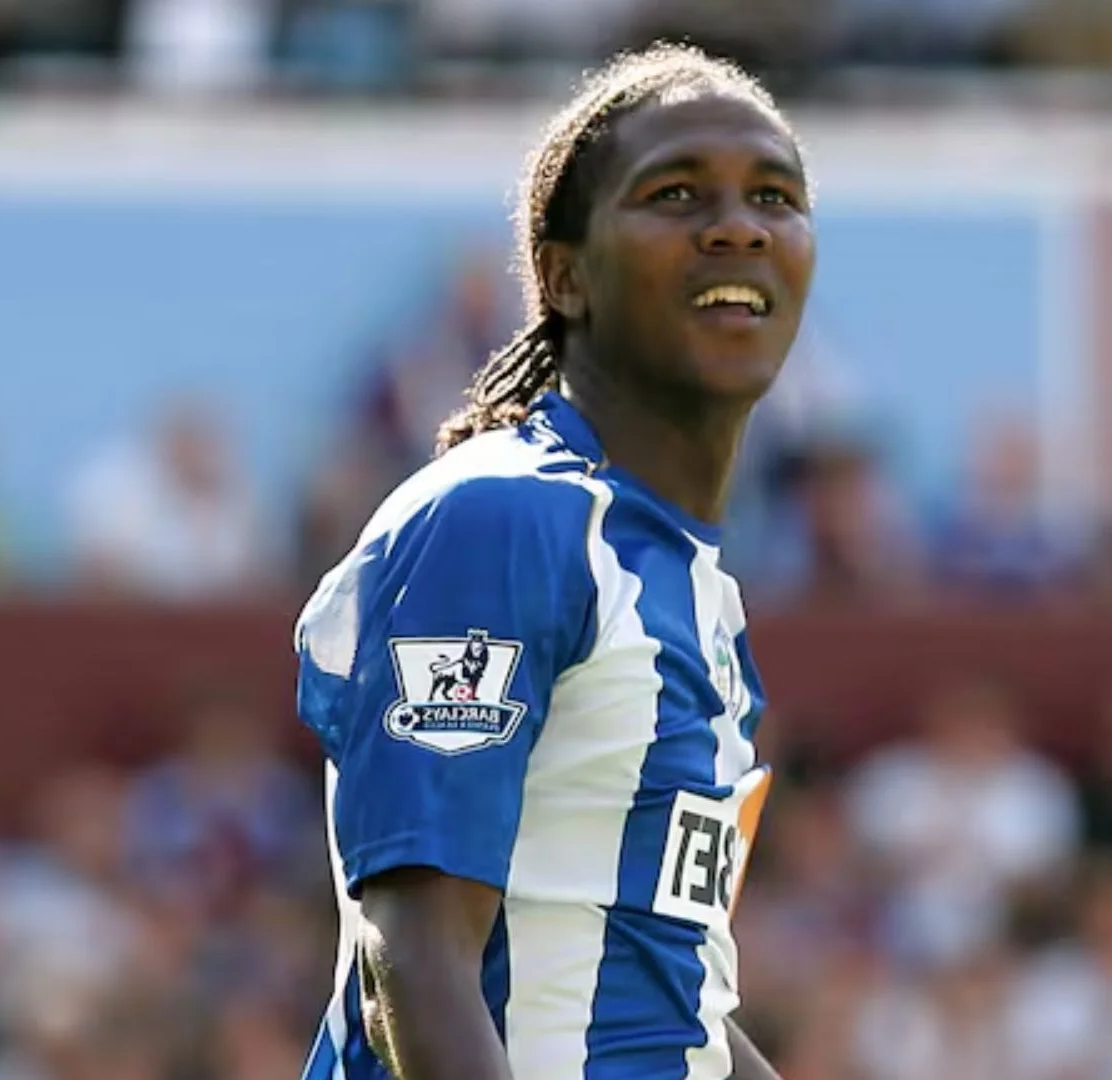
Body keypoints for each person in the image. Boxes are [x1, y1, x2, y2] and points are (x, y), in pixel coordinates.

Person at [292, 42, 816, 1080]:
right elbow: (417, 952)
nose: (737, 224)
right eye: (675, 194)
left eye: (774, 195)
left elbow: (671, 997)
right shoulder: (505, 518)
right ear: (566, 275)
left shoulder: (694, 586)